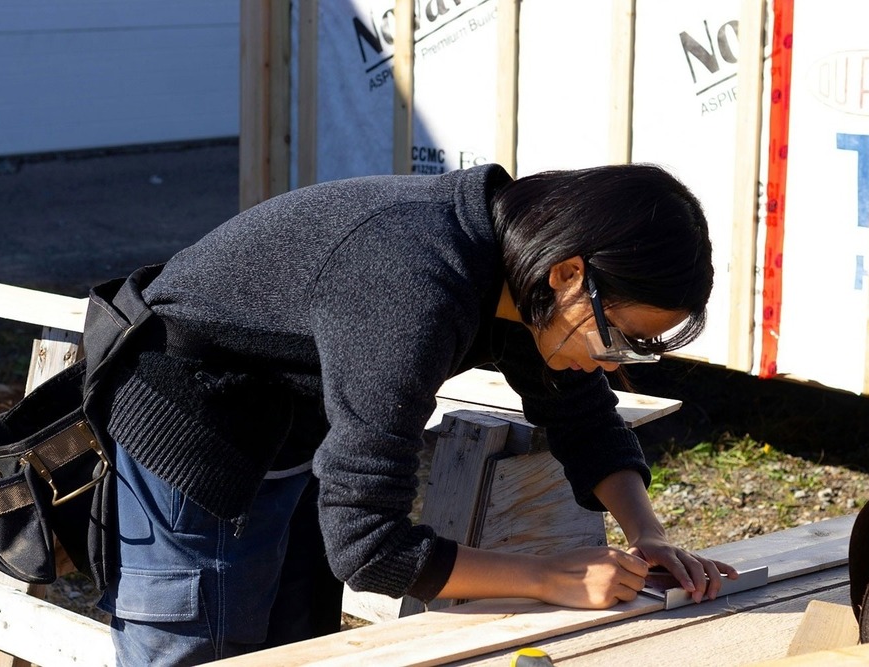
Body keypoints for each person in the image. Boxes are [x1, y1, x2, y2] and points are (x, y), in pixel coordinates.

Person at [88, 162, 737, 665]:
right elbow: (366, 544)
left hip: (292, 416)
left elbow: (585, 417)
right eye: (615, 336)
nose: (610, 362)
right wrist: (547, 576)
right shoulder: (414, 285)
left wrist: (648, 535)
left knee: (297, 646)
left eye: (635, 351)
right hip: (193, 430)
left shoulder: (516, 261)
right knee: (205, 643)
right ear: (568, 274)